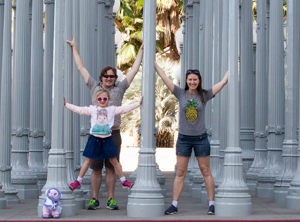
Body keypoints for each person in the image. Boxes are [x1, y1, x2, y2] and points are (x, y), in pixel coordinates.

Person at [66, 38, 144, 210]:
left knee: (111, 167)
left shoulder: (120, 88)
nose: (109, 78)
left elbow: (134, 70)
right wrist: (74, 47)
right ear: (101, 77)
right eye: (106, 76)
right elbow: (81, 68)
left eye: (112, 76)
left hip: (113, 134)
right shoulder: (94, 87)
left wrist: (141, 51)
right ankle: (94, 198)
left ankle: (111, 199)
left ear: (115, 78)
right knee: (95, 167)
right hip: (96, 135)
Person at [154, 63, 229, 216]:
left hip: (201, 138)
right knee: (181, 172)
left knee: (206, 171)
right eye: (190, 80)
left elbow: (223, 82)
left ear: (199, 81)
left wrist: (236, 63)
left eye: (195, 79)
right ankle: (174, 205)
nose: (192, 82)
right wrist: (153, 63)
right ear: (186, 81)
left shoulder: (205, 94)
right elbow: (164, 77)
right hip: (184, 139)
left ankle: (212, 204)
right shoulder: (181, 93)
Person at [65, 91, 142, 192]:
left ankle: (123, 181)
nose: (102, 101)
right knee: (88, 161)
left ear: (108, 100)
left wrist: (138, 103)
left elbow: (124, 109)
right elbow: (79, 110)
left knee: (114, 160)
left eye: (105, 99)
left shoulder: (112, 109)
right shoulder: (92, 109)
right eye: (100, 99)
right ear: (96, 100)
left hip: (107, 139)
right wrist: (66, 104)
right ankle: (78, 180)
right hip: (94, 138)